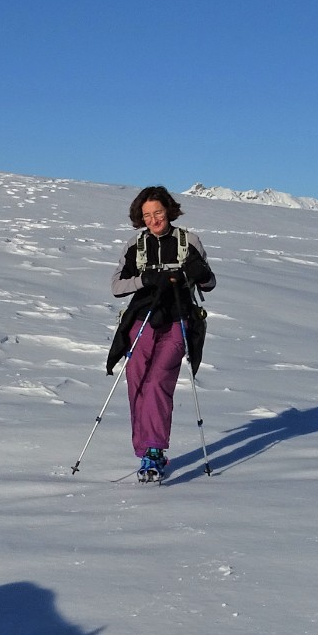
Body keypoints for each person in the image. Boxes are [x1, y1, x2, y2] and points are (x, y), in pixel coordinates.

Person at [106, 186, 216, 481]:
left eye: (158, 212)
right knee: (137, 382)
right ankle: (145, 451)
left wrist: (197, 272)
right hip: (141, 321)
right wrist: (145, 279)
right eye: (147, 215)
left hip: (178, 320)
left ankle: (153, 450)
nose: (153, 219)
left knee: (158, 381)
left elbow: (209, 283)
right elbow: (117, 287)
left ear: (168, 210)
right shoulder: (135, 245)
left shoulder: (187, 241)